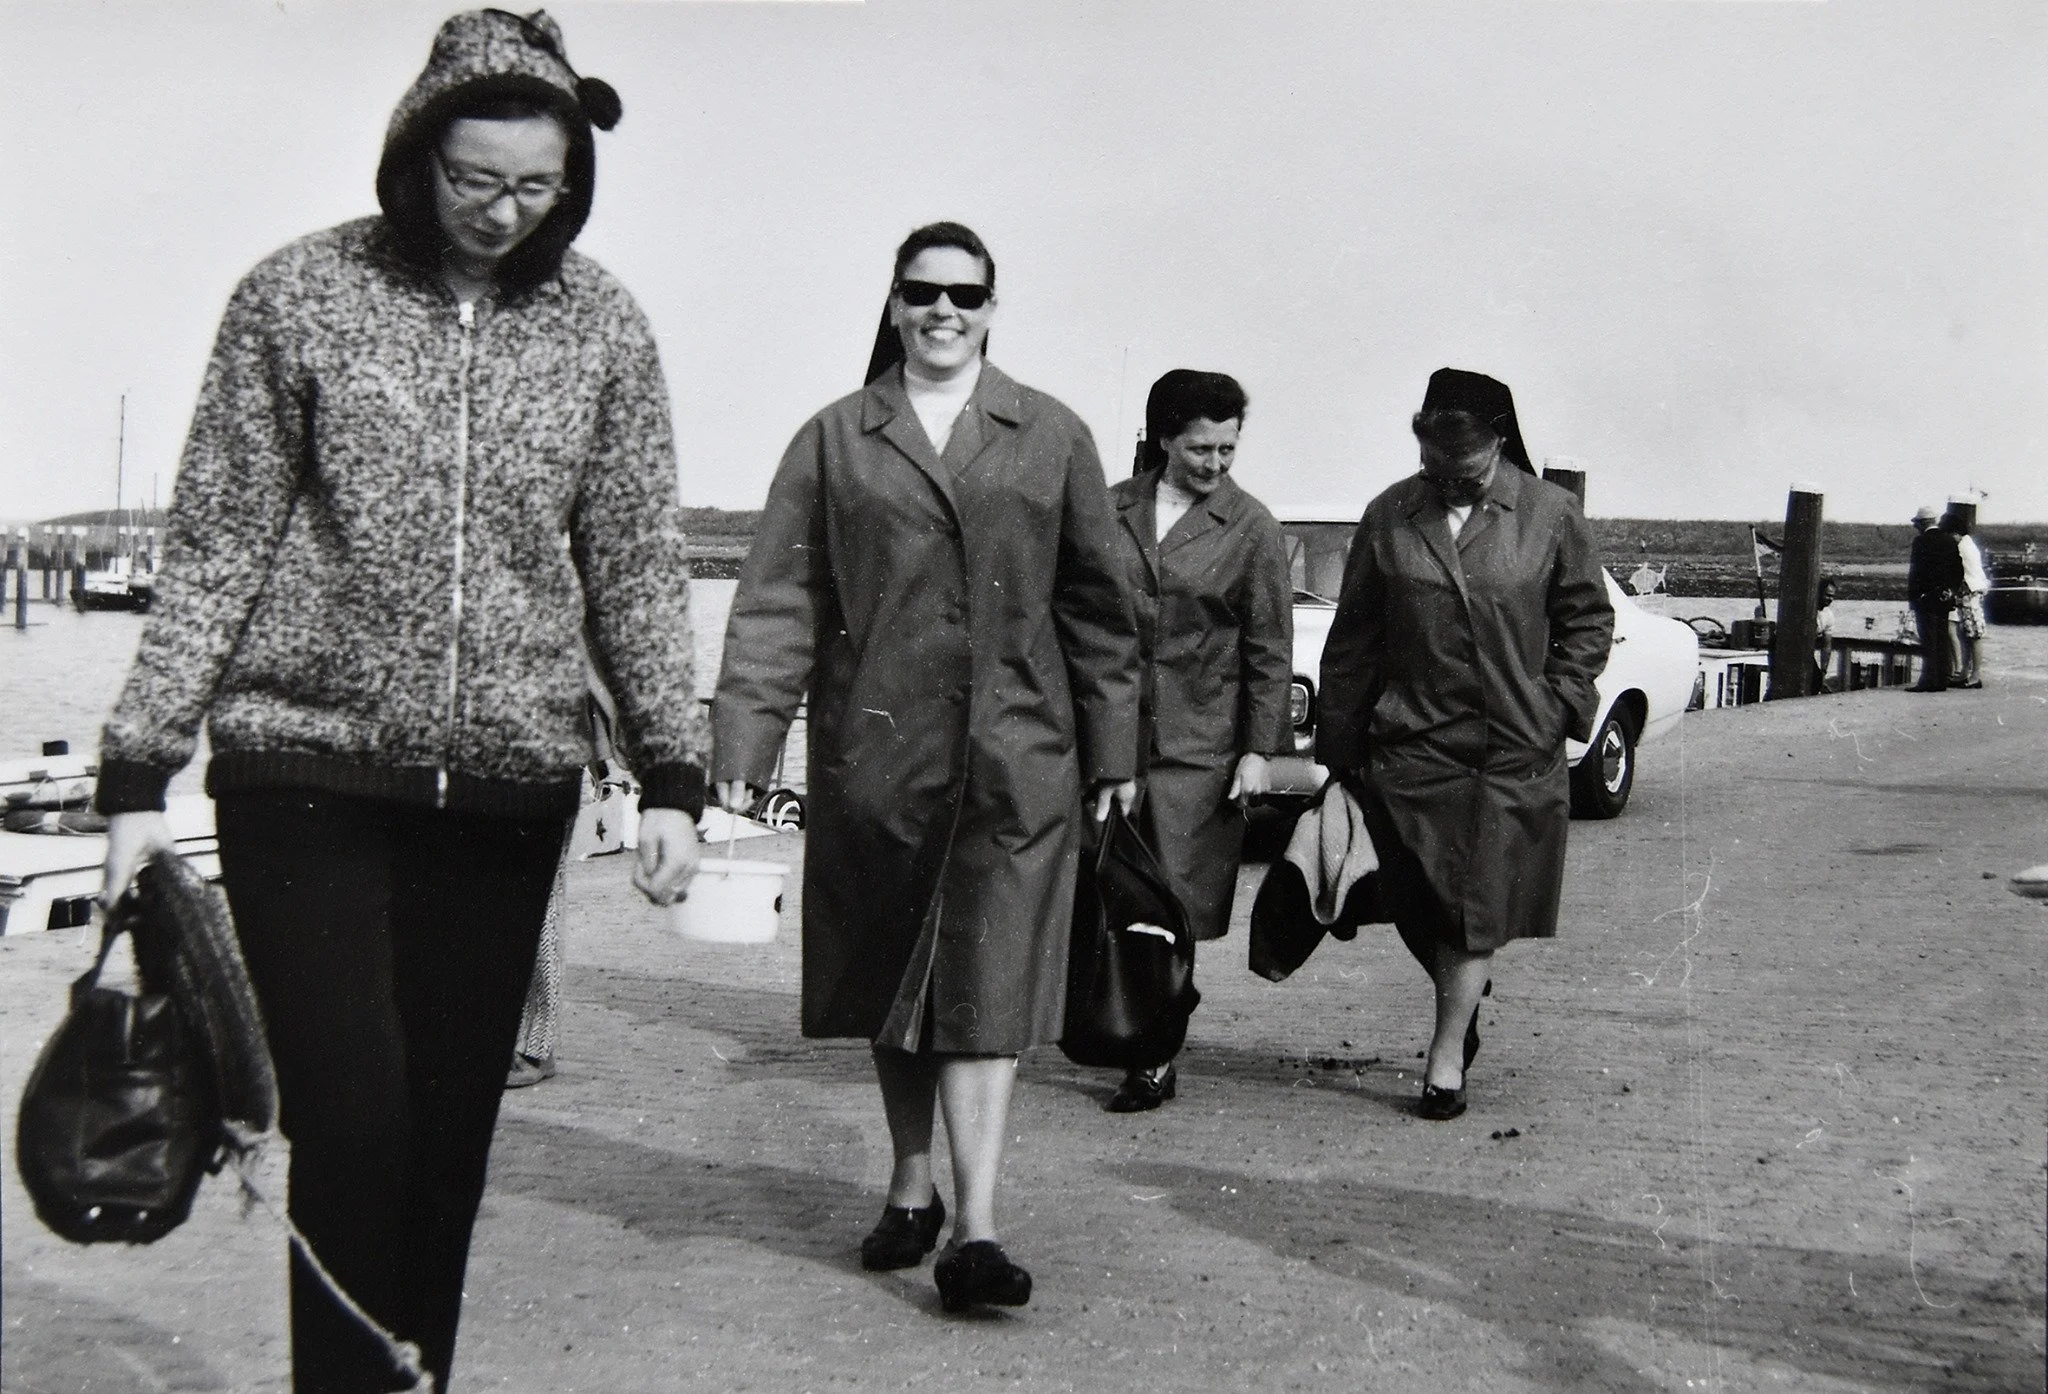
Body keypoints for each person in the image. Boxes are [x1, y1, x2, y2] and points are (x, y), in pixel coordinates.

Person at [94, 13, 706, 1391]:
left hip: (503, 787)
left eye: (536, 186)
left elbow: (632, 560)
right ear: (414, 156)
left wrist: (674, 770)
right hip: (299, 766)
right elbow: (217, 540)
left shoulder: (604, 324)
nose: (502, 211)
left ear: (575, 180)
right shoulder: (295, 296)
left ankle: (407, 1378)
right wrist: (135, 771)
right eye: (475, 178)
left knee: (447, 1142)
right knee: (353, 1120)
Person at [712, 222, 1139, 1313]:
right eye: (921, 293)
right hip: (878, 755)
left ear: (994, 307)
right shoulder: (835, 439)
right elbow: (777, 600)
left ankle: (978, 1224)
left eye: (965, 295)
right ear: (893, 304)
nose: (942, 312)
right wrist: (743, 748)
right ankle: (911, 1183)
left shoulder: (1050, 434)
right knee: (895, 976)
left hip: (1016, 757)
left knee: (988, 985)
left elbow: (1099, 607)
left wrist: (1113, 749)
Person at [1315, 368, 1612, 1121]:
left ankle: (1444, 1060)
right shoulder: (1389, 515)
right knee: (1420, 901)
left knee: (1472, 908)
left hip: (1510, 746)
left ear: (1501, 444)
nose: (1449, 482)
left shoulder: (1552, 514)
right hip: (1412, 745)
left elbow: (1587, 621)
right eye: (1434, 467)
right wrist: (1340, 746)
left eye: (1467, 469)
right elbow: (1353, 637)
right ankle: (1463, 998)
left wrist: (1559, 703)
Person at [1100, 369, 1293, 1111]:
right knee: (1112, 899)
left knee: (1175, 906)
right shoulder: (1106, 508)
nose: (1214, 466)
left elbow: (1269, 648)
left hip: (1200, 752)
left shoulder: (1252, 526)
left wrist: (1258, 751)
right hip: (1111, 745)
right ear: (1161, 439)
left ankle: (1154, 1053)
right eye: (1198, 449)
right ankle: (1126, 1025)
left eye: (1227, 450)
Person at [1906, 503, 1963, 692]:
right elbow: (1958, 570)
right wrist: (1951, 589)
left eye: (1917, 523)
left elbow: (1916, 573)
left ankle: (1928, 680)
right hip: (1944, 598)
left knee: (1928, 640)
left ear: (1922, 523)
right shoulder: (1949, 541)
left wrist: (1915, 597)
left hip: (1926, 599)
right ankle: (1941, 679)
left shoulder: (1920, 542)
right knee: (1941, 639)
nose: (1916, 526)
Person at [1945, 504, 1989, 689]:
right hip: (1969, 593)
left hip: (1970, 593)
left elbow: (1957, 570)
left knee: (1974, 635)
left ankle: (1975, 675)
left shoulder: (1962, 547)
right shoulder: (1967, 543)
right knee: (1967, 634)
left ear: (1955, 532)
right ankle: (1965, 672)